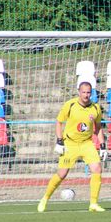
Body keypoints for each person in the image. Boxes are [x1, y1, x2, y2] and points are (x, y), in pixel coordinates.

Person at [37, 81, 107, 212]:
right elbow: (59, 122)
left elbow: (98, 127)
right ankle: (45, 198)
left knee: (97, 168)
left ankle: (93, 203)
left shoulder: (96, 108)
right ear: (79, 92)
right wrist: (59, 141)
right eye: (83, 92)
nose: (86, 95)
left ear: (91, 93)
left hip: (86, 143)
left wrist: (102, 145)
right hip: (70, 143)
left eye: (88, 92)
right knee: (62, 173)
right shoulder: (70, 105)